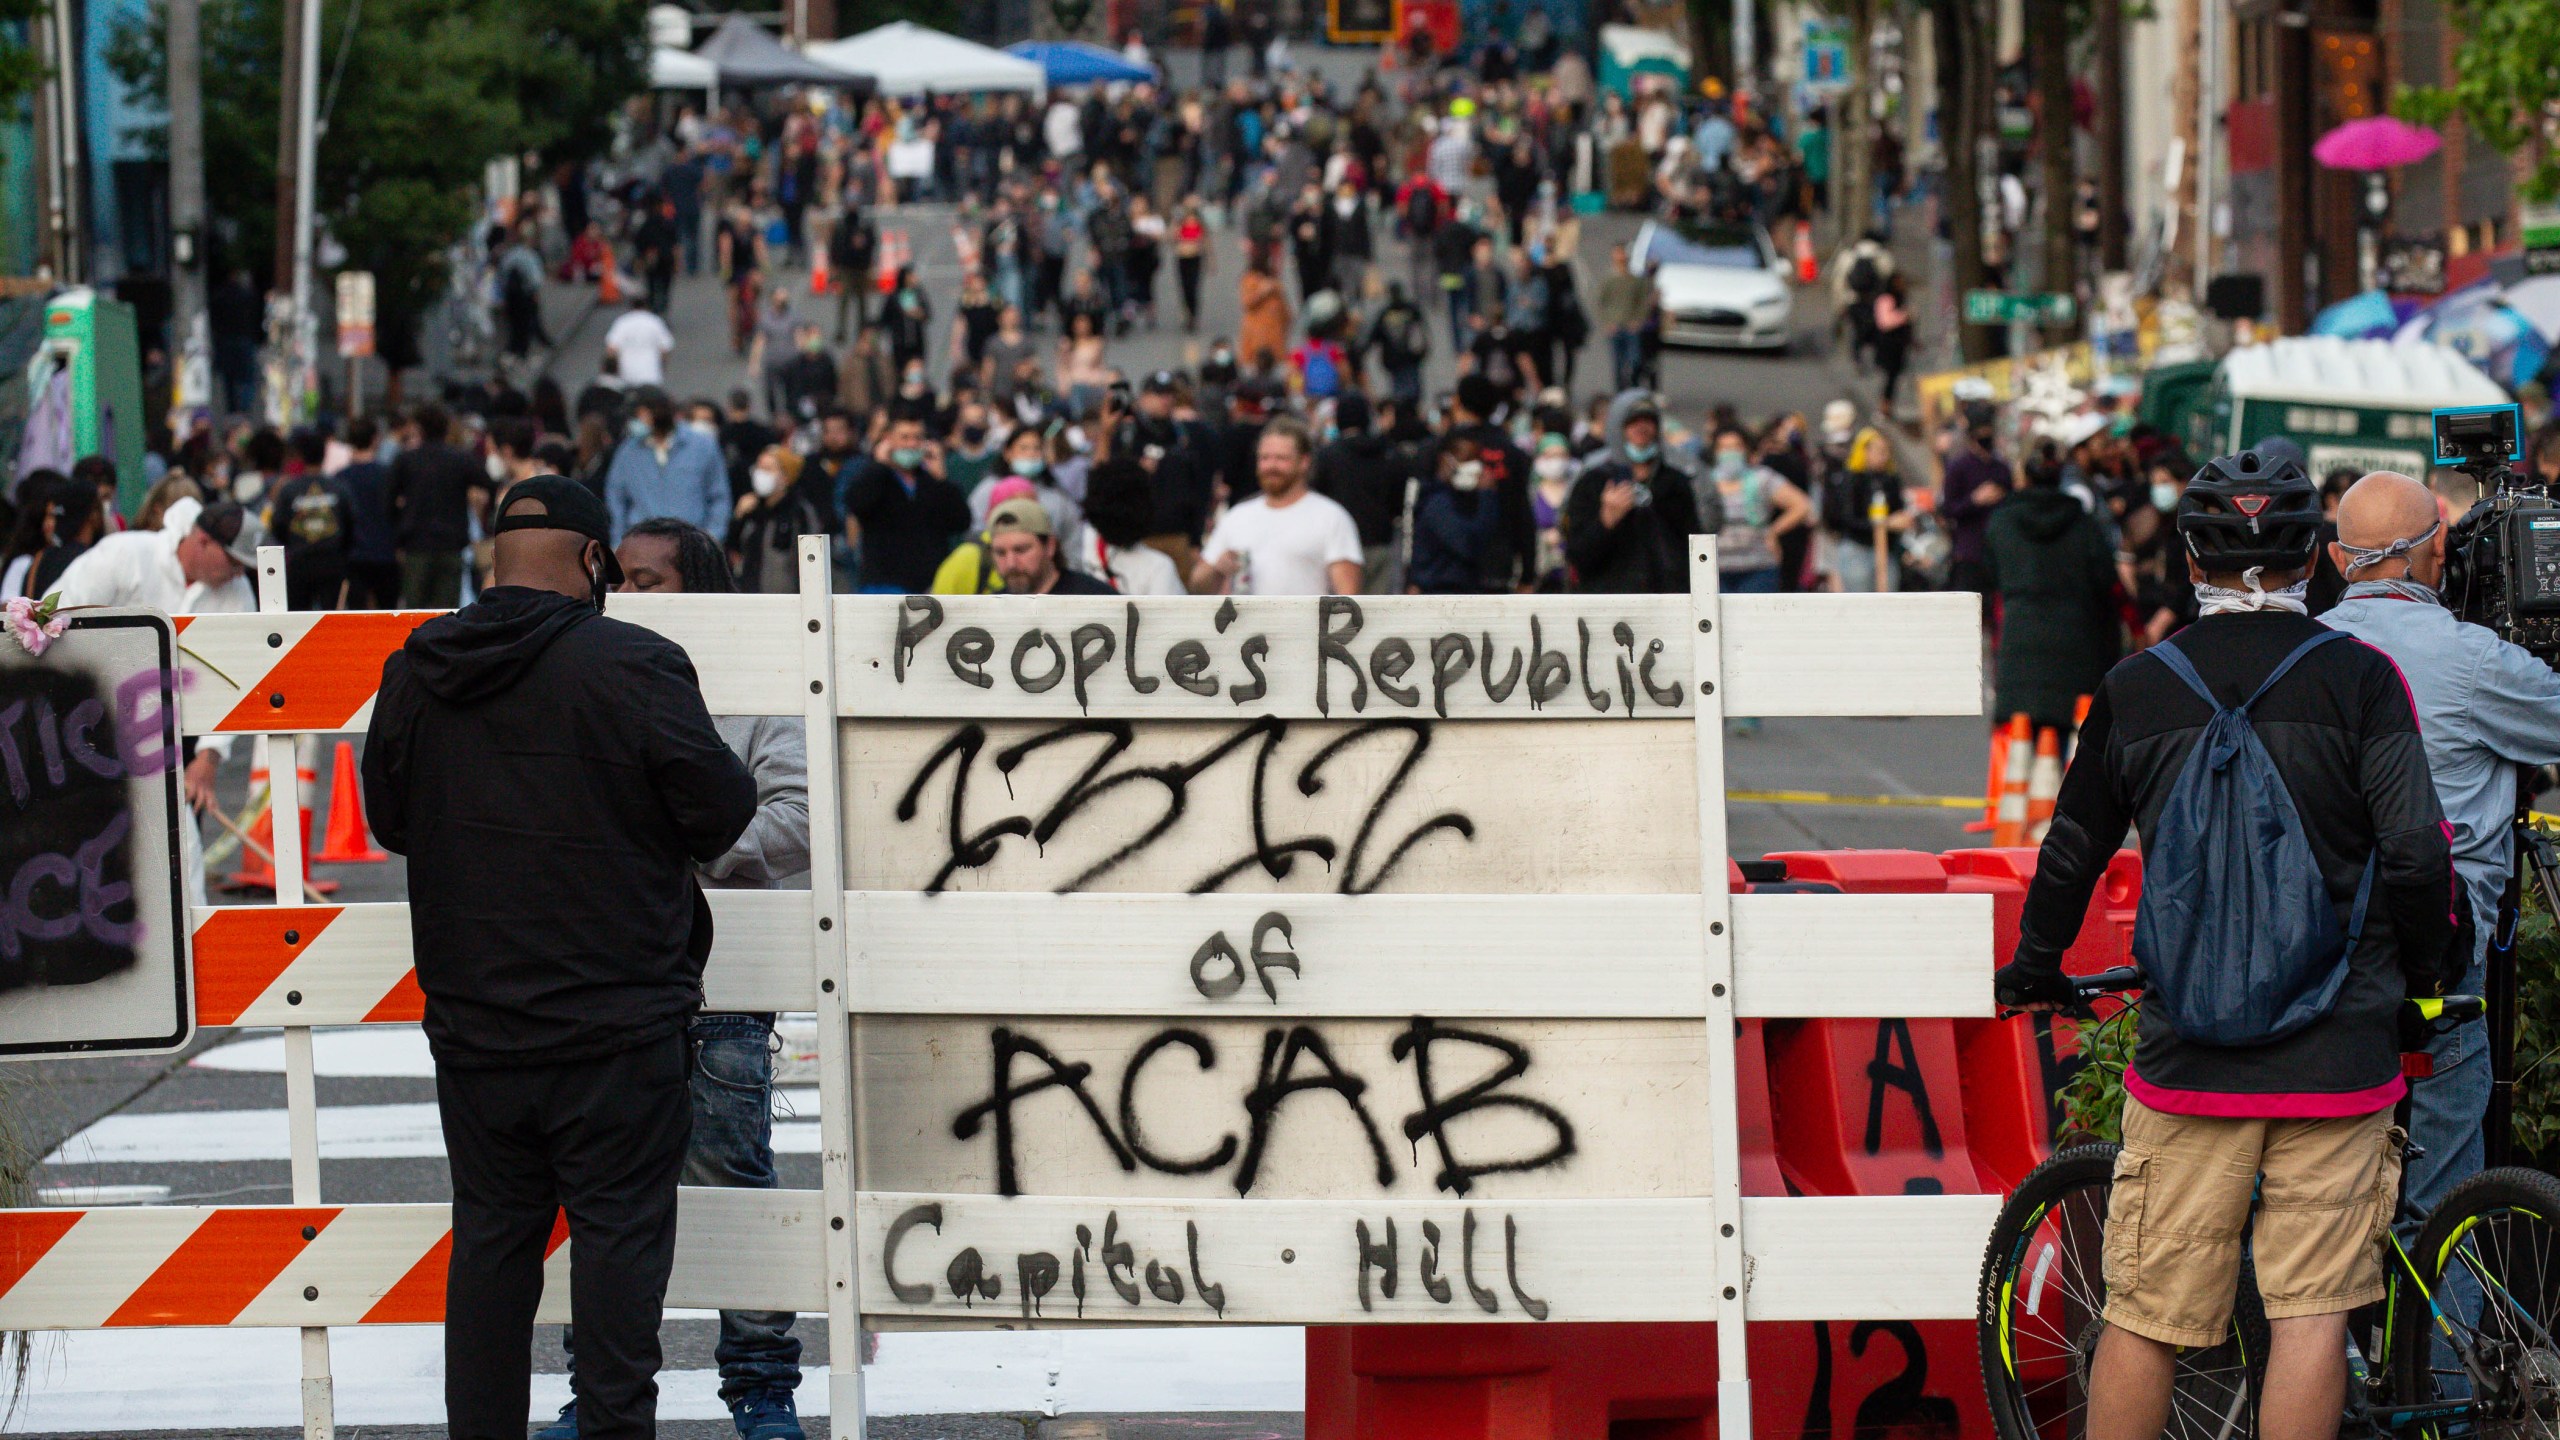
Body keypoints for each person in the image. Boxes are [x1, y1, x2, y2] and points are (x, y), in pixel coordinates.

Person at [1993, 451, 2458, 1440]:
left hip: (2189, 1059)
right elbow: (2417, 854)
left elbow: (2072, 847)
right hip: (2338, 1056)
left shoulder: (2134, 688)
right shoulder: (2364, 681)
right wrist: (2426, 976)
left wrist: (2036, 965)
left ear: (2191, 554)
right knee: (2309, 1319)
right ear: (2311, 558)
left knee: (2145, 1314)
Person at [362, 477, 755, 1440]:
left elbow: (387, 818)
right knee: (620, 1256)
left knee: (492, 1245)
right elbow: (723, 809)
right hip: (617, 1022)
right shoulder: (635, 663)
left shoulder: (417, 669)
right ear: (592, 563)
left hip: (475, 1021)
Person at [523, 515, 806, 1440]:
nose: (632, 597)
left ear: (705, 587)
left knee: (732, 1175)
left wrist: (681, 856)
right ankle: (594, 1392)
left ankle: (762, 1390)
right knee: (598, 1192)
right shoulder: (589, 675)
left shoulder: (760, 681)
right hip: (608, 978)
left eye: (653, 581)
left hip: (723, 984)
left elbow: (798, 815)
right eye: (623, 581)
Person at [2321, 469, 2560, 1231]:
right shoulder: (2474, 658)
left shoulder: (2299, 655)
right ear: (2440, 549)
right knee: (2442, 1212)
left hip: (2315, 963)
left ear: (2335, 559)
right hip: (2439, 964)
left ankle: (2331, 1350)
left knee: (2313, 1201)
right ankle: (2442, 1352)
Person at [1982, 442, 2120, 734]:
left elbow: (1988, 575)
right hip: (2074, 647)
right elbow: (2106, 579)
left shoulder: (2001, 521)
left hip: (2018, 644)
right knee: (2066, 743)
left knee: (2018, 746)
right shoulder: (2083, 524)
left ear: (2024, 478)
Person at [1563, 392, 1719, 593]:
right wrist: (1605, 521)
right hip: (1610, 598)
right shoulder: (1594, 481)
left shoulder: (1674, 481)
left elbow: (1694, 543)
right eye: (1633, 422)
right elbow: (1577, 554)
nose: (1642, 429)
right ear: (1617, 429)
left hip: (1667, 597)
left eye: (1649, 421)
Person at [1192, 415, 1363, 596]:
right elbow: (1197, 587)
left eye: (1281, 458)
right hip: (1246, 623)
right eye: (1264, 458)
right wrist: (1217, 569)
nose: (1271, 466)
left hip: (1306, 624)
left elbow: (1349, 597)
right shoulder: (1237, 516)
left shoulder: (1331, 517)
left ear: (1304, 462)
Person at [841, 414, 971, 593]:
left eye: (917, 437)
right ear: (888, 439)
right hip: (883, 584)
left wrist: (941, 479)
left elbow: (961, 521)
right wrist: (879, 466)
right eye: (904, 437)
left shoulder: (931, 481)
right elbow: (856, 503)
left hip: (929, 586)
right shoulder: (875, 475)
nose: (911, 444)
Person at [387, 404, 486, 608]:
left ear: (420, 429)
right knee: (447, 611)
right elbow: (487, 483)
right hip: (452, 543)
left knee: (414, 611)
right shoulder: (460, 458)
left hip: (416, 544)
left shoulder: (406, 460)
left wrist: (398, 531)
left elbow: (388, 500)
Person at [605, 388, 730, 543]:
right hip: (643, 548)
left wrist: (713, 537)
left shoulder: (703, 446)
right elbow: (616, 498)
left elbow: (719, 496)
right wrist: (618, 543)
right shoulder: (627, 452)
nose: (634, 421)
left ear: (657, 412)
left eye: (639, 415)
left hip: (692, 546)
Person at [1311, 393, 1407, 593]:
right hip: (1380, 543)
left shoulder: (1327, 456)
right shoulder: (1390, 453)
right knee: (1379, 614)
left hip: (1339, 550)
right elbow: (1399, 500)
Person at [1704, 423, 1813, 594]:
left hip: (1758, 567)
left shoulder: (1762, 478)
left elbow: (1802, 505)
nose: (1730, 452)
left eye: (1736, 446)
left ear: (1746, 449)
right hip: (1714, 568)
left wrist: (1774, 531)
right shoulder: (1705, 482)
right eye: (1724, 447)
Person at [1409, 433, 1508, 594]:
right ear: (1445, 460)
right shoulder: (1438, 503)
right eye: (1466, 459)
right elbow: (1469, 544)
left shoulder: (1464, 499)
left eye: (1476, 459)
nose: (1474, 466)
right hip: (1440, 592)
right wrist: (1487, 495)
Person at [266, 436, 358, 609]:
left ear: (301, 456)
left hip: (299, 561)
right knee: (332, 621)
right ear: (324, 456)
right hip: (332, 561)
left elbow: (277, 525)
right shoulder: (339, 488)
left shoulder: (289, 490)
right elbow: (351, 523)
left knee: (299, 622)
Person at [727, 446, 830, 595]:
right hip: (749, 596)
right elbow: (732, 550)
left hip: (787, 600)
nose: (760, 474)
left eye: (768, 469)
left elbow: (811, 558)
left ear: (785, 477)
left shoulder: (799, 512)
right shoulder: (750, 510)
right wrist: (737, 517)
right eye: (759, 467)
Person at [1940, 405, 2013, 596]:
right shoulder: (1958, 468)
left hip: (1999, 552)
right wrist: (1974, 500)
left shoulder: (2001, 468)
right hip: (1970, 554)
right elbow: (1948, 509)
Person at [984, 495, 1119, 596]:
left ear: (1050, 546)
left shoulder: (1094, 598)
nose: (1011, 563)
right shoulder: (990, 610)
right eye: (1000, 552)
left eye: (1021, 550)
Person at [336, 419, 401, 609]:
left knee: (358, 618)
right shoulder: (388, 474)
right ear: (375, 440)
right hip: (386, 552)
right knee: (388, 616)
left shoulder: (340, 478)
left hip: (354, 555)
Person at [1596, 243, 1656, 395]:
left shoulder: (1634, 280)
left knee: (1635, 360)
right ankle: (1620, 392)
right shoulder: (1608, 279)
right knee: (1618, 363)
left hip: (1631, 326)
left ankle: (1634, 388)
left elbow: (1643, 302)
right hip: (1615, 326)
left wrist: (1638, 320)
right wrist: (1606, 322)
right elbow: (1600, 303)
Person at [603, 300, 677, 390]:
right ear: (647, 307)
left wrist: (613, 368)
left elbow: (611, 348)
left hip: (626, 372)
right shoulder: (655, 321)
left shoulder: (623, 322)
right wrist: (662, 365)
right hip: (650, 372)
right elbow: (665, 348)